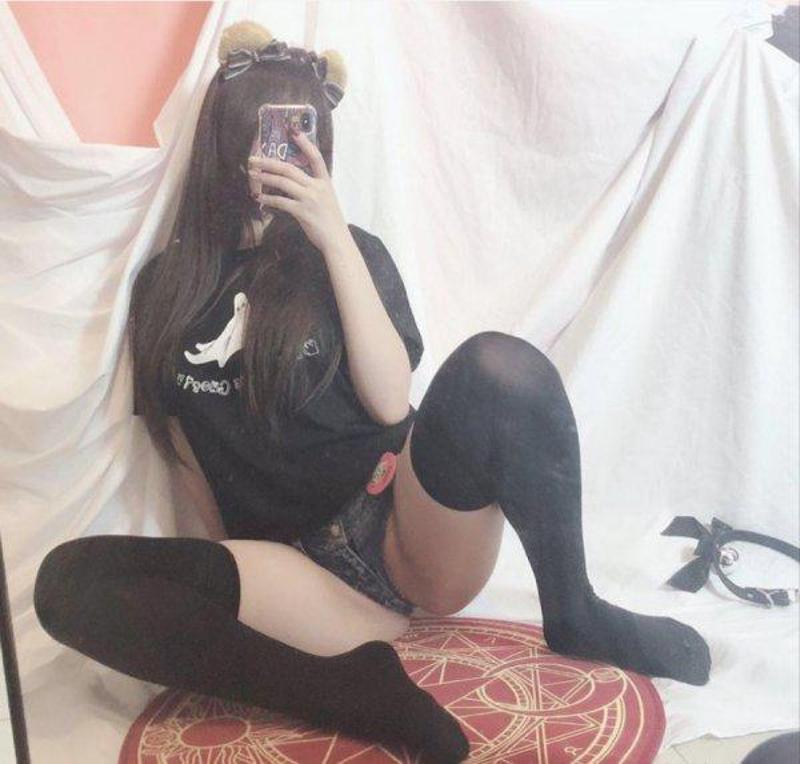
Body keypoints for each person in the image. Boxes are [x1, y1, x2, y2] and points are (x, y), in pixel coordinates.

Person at [32, 19, 711, 764]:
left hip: (404, 530)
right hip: (291, 567)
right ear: (222, 138)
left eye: (295, 137)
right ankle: (352, 691)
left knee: (497, 367)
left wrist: (330, 235)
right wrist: (226, 586)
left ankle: (575, 610)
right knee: (67, 582)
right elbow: (186, 453)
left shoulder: (351, 254)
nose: (272, 155)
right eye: (256, 134)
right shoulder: (167, 286)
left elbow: (390, 402)